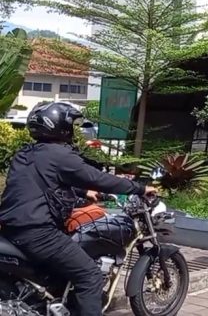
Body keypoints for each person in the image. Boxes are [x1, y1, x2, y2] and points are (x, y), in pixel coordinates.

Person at [0, 102, 155, 315]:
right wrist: (139, 188)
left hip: (10, 228)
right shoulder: (60, 155)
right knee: (90, 276)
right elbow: (98, 178)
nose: (73, 131)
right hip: (38, 233)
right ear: (61, 127)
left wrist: (84, 193)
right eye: (71, 126)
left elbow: (42, 181)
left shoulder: (26, 153)